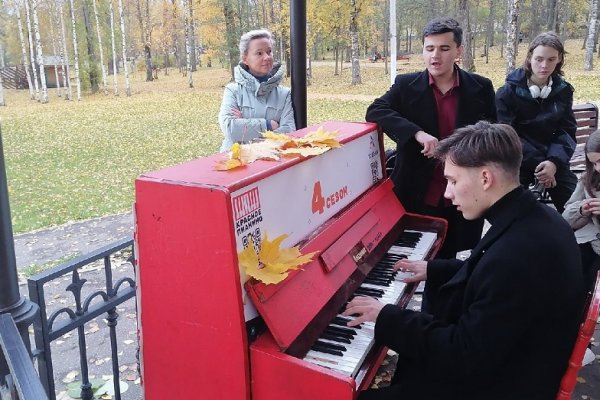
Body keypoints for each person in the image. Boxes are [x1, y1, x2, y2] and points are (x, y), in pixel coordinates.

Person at [344, 121, 585, 400]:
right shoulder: (535, 219)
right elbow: (492, 273)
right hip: (515, 362)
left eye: (453, 180)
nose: (447, 193)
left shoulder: (517, 255)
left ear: (485, 178)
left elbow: (462, 355)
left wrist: (386, 316)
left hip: (501, 385)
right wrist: (434, 269)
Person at [365, 17, 496, 259]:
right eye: (429, 48)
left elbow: (492, 134)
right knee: (411, 262)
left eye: (444, 48)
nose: (435, 55)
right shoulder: (406, 85)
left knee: (450, 262)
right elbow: (376, 110)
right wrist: (416, 132)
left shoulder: (480, 87)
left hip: (462, 196)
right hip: (418, 193)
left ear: (459, 51)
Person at [496, 32, 577, 213]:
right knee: (511, 211)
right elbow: (506, 135)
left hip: (554, 161)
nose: (544, 65)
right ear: (530, 57)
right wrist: (542, 165)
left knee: (576, 207)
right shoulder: (507, 92)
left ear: (559, 59)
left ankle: (575, 241)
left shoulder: (563, 91)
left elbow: (567, 130)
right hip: (518, 162)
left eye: (551, 59)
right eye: (539, 59)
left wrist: (553, 163)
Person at [218, 29, 296, 152]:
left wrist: (245, 126)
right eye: (259, 53)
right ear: (245, 58)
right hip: (236, 163)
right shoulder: (233, 91)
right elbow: (230, 129)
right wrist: (269, 125)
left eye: (269, 52)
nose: (267, 57)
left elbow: (288, 132)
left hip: (272, 162)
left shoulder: (284, 94)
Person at [563, 129, 600, 293]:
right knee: (567, 266)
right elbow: (565, 220)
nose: (598, 168)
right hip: (589, 240)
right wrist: (581, 209)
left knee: (593, 277)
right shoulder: (588, 178)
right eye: (594, 163)